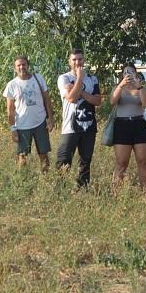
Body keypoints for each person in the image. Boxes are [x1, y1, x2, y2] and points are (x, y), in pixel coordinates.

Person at [56, 49, 102, 189]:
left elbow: (97, 100)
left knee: (85, 160)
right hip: (70, 127)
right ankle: (60, 190)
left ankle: (82, 189)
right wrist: (80, 79)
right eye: (74, 59)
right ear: (69, 61)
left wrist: (79, 90)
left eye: (80, 59)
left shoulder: (92, 79)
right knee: (64, 160)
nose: (77, 62)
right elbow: (71, 98)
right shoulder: (64, 78)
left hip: (89, 125)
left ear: (84, 60)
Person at [2, 55, 53, 170]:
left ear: (28, 65)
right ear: (15, 68)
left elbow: (47, 99)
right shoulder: (12, 85)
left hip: (40, 123)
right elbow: (10, 110)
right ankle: (23, 179)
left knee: (44, 155)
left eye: (23, 64)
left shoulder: (38, 78)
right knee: (22, 157)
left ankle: (46, 179)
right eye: (18, 65)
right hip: (22, 126)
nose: (21, 67)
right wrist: (13, 129)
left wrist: (51, 119)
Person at [110, 62, 146, 191]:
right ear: (122, 75)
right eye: (125, 72)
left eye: (131, 72)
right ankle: (116, 193)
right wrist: (121, 85)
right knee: (122, 162)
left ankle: (145, 192)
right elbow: (112, 101)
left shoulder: (141, 88)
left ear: (136, 73)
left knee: (143, 161)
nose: (128, 74)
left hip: (139, 124)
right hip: (122, 125)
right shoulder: (118, 87)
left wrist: (140, 87)